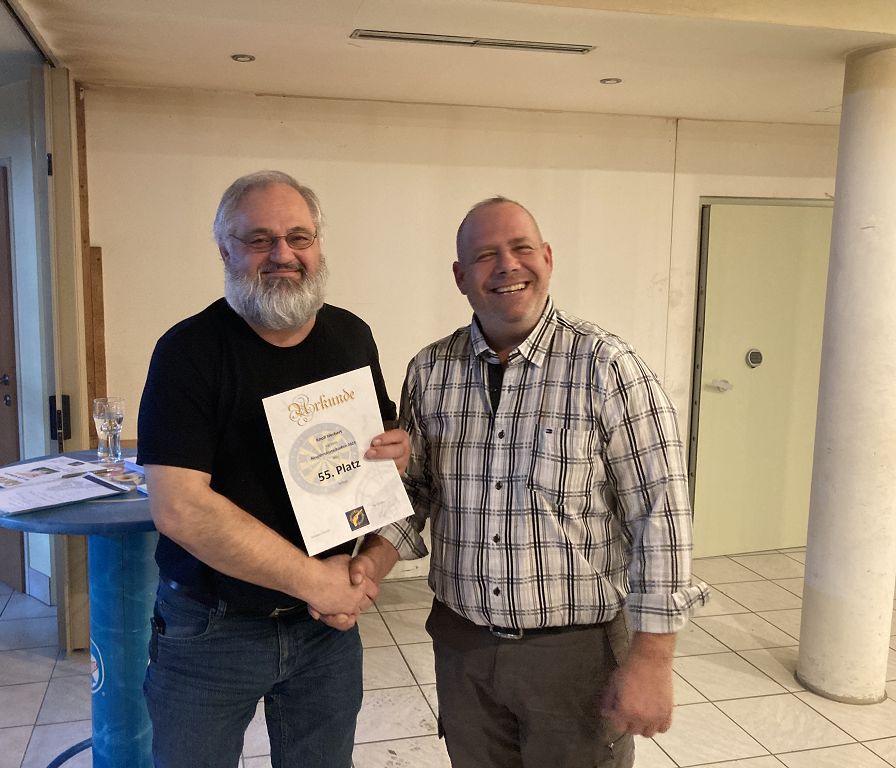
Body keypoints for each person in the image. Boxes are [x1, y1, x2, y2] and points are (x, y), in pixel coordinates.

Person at [347, 197, 709, 767]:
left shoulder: (607, 367)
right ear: (460, 276)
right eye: (485, 255)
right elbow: (416, 493)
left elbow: (661, 514)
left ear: (547, 258)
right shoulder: (430, 371)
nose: (507, 266)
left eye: (520, 249)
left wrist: (653, 660)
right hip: (462, 647)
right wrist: (370, 564)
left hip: (576, 656)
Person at [137, 170, 409, 768]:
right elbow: (180, 506)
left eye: (298, 237)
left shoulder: (351, 336)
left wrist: (394, 459)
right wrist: (317, 582)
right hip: (212, 630)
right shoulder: (187, 351)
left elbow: (380, 456)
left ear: (318, 245)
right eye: (260, 239)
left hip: (324, 630)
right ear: (225, 250)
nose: (283, 254)